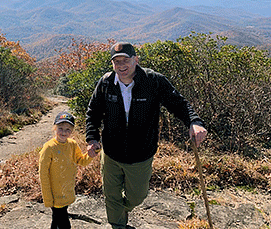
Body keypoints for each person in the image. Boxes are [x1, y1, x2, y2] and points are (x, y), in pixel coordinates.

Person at [86, 42, 207, 229]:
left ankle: (120, 211)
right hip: (110, 153)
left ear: (136, 60)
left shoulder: (153, 81)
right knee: (111, 194)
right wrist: (92, 138)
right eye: (116, 61)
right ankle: (118, 224)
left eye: (125, 60)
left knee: (137, 197)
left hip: (140, 154)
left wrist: (195, 122)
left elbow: (178, 103)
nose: (121, 65)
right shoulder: (106, 82)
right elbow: (93, 111)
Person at [39, 111, 98, 229]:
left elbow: (81, 160)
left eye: (68, 129)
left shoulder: (72, 144)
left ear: (72, 131)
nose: (64, 132)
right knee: (64, 222)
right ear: (54, 128)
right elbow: (43, 174)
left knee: (57, 219)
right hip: (54, 194)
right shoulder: (48, 148)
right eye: (60, 128)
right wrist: (47, 198)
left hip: (67, 191)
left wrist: (91, 154)